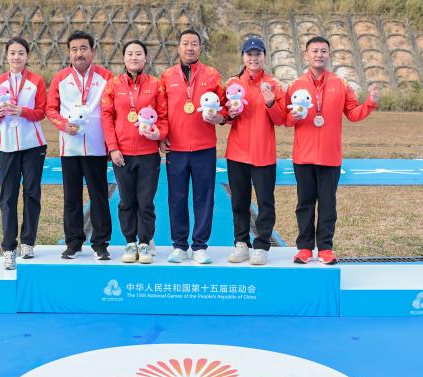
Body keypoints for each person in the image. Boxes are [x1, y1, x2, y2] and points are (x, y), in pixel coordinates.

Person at [286, 36, 379, 265]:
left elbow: (353, 114)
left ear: (329, 55)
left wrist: (370, 102)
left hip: (330, 156)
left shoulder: (340, 84)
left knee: (328, 204)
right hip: (303, 156)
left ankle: (325, 248)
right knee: (304, 203)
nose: (319, 55)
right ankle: (305, 248)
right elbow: (285, 118)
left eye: (323, 51)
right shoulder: (295, 85)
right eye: (315, 51)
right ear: (305, 55)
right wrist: (291, 117)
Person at [159, 29, 225, 264]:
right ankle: (179, 245)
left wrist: (222, 117)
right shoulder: (166, 76)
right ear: (178, 48)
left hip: (204, 146)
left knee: (204, 196)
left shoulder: (212, 74)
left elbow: (225, 105)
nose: (190, 48)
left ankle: (199, 246)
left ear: (200, 48)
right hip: (175, 148)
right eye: (185, 43)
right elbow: (161, 109)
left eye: (194, 44)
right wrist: (161, 135)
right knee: (176, 197)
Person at [46, 30, 113, 260]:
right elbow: (50, 109)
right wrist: (63, 125)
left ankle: (101, 243)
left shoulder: (106, 77)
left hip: (97, 147)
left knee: (99, 195)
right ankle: (73, 242)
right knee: (71, 197)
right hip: (70, 147)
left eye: (83, 48)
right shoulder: (60, 78)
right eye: (74, 49)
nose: (79, 53)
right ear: (69, 53)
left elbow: (113, 108)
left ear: (92, 51)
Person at [101, 40, 168, 264]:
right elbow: (107, 118)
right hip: (122, 154)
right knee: (126, 200)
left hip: (149, 154)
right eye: (130, 54)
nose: (134, 57)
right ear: (124, 58)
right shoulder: (113, 85)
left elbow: (164, 116)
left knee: (146, 201)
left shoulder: (155, 84)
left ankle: (145, 243)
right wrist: (113, 148)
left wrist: (158, 134)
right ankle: (130, 242)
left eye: (138, 54)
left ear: (145, 58)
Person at [224, 37, 286, 265]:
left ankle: (261, 246)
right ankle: (241, 243)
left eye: (257, 54)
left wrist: (270, 103)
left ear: (264, 56)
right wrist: (230, 112)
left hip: (263, 153)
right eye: (249, 54)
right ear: (243, 57)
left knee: (265, 202)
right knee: (239, 201)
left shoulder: (273, 84)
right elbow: (226, 118)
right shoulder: (232, 84)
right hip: (237, 153)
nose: (253, 58)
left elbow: (281, 119)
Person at [0, 36, 47, 270]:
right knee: (8, 197)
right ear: (7, 56)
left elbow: (41, 112)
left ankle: (28, 242)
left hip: (33, 145)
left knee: (32, 194)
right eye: (12, 53)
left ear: (27, 56)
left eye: (21, 53)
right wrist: (0, 112)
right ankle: (8, 248)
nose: (16, 57)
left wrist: (21, 110)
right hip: (7, 146)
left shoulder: (36, 81)